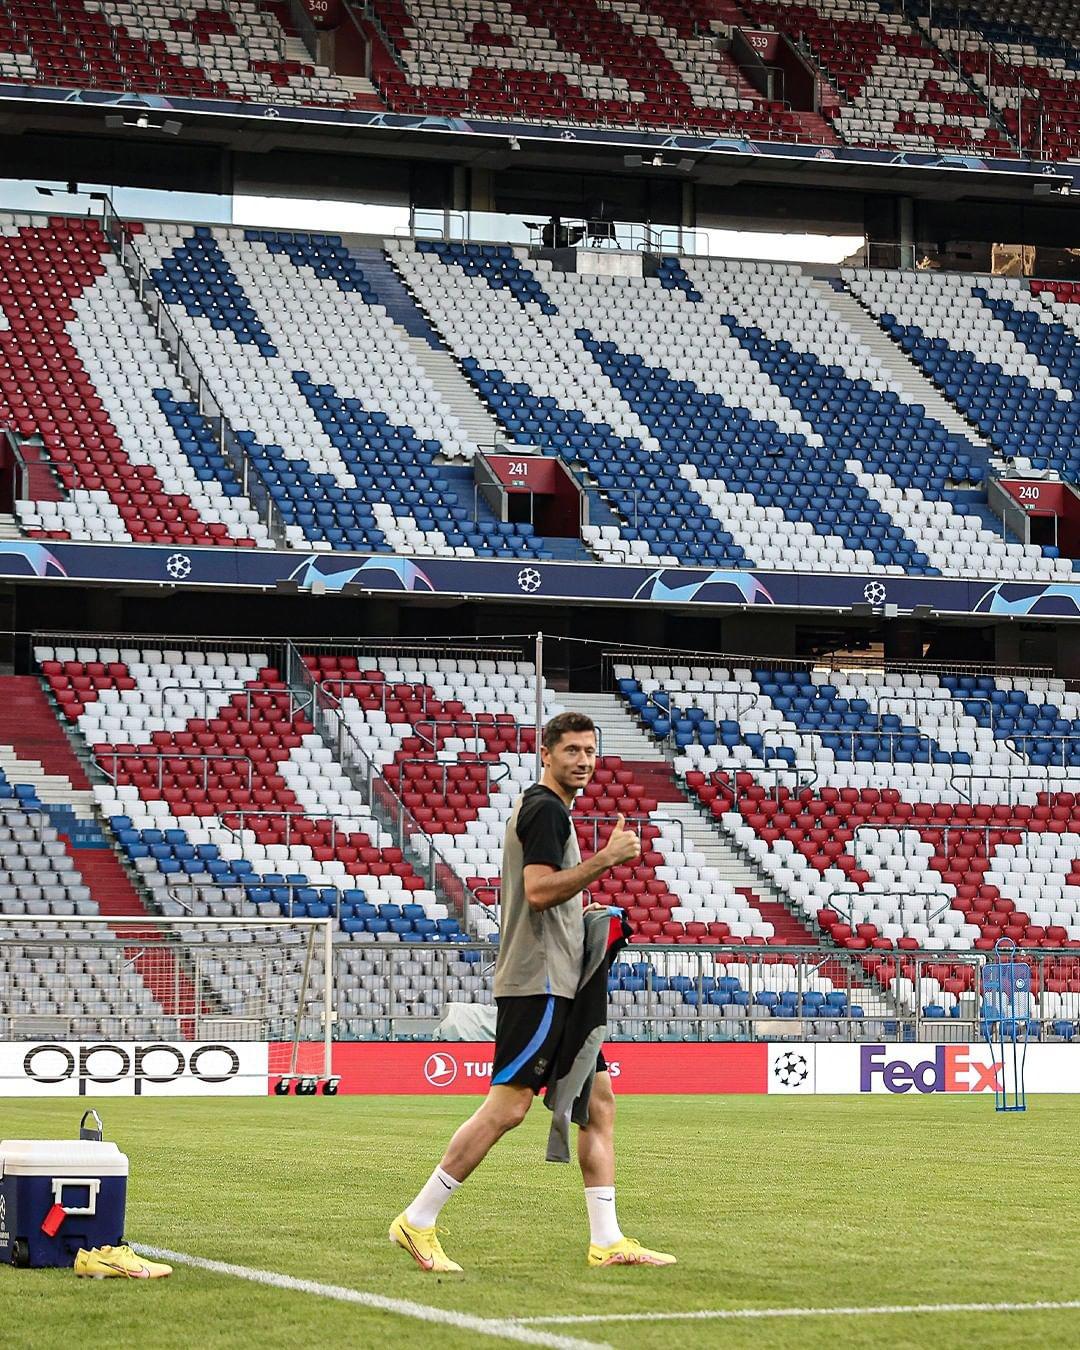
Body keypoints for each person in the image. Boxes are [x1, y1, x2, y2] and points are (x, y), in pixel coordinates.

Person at [390, 711, 676, 1272]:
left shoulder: (549, 810)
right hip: (538, 983)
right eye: (571, 750)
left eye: (590, 751)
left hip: (562, 979)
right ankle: (417, 1220)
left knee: (598, 1104)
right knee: (509, 1107)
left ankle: (607, 1239)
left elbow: (550, 897)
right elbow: (540, 891)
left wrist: (584, 915)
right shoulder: (545, 809)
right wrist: (605, 862)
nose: (584, 761)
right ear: (546, 753)